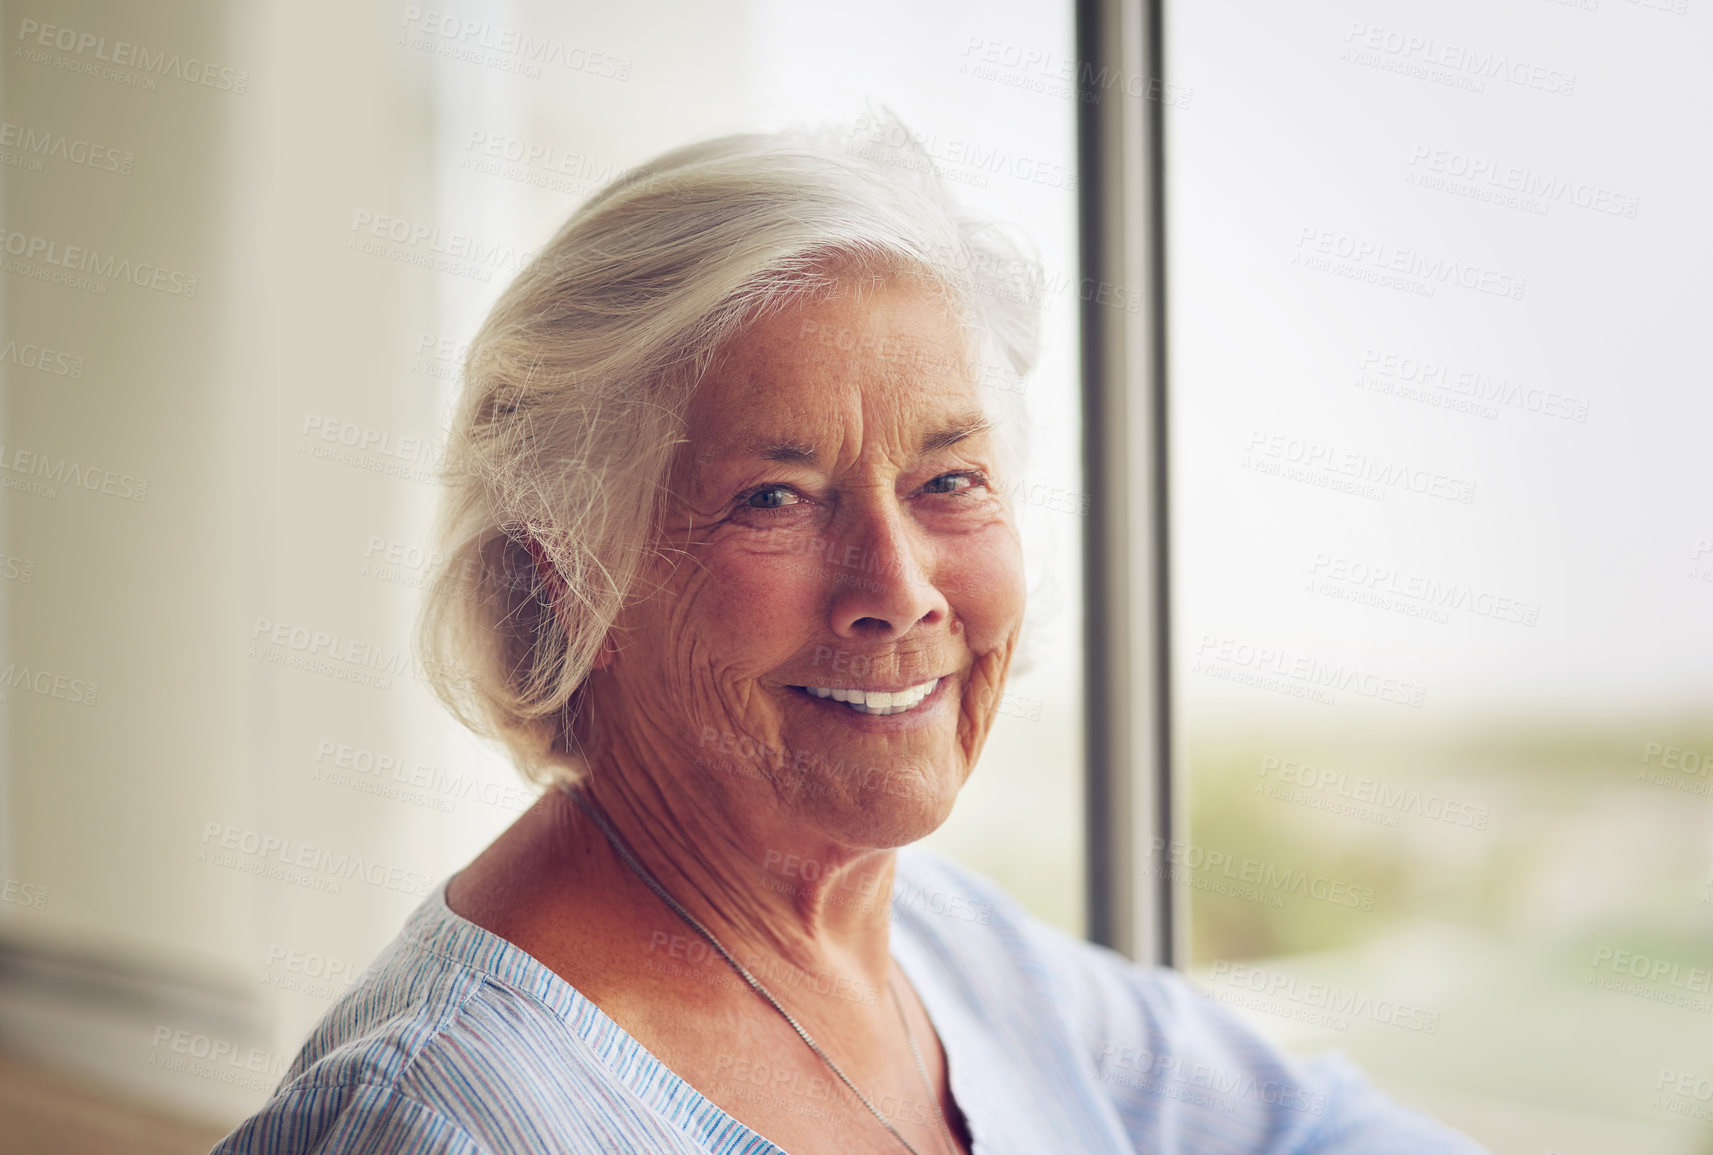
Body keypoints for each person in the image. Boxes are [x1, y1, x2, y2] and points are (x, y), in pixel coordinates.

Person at [212, 124, 1486, 1154]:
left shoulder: (942, 942)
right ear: (575, 582)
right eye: (775, 496)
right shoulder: (436, 1120)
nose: (899, 588)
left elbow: (1316, 1129)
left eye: (950, 482)